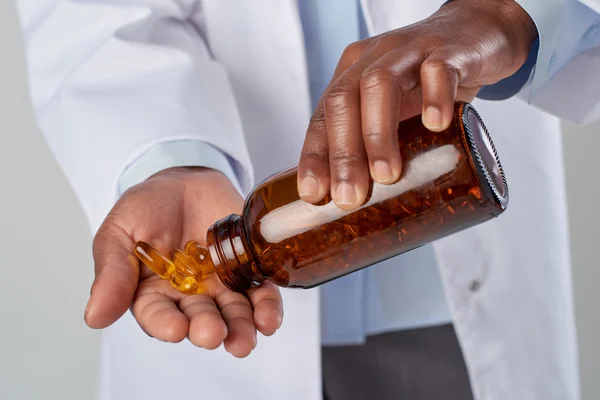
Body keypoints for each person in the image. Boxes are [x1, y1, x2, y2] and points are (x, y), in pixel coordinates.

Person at [13, 0, 600, 399]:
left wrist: (513, 12)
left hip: (455, 318)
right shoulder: (266, 233)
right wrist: (172, 158)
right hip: (224, 353)